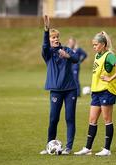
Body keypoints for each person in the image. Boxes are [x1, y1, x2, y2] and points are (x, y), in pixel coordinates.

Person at [74, 31, 116, 156]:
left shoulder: (109, 56)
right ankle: (88, 148)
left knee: (107, 119)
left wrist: (110, 78)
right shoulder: (98, 55)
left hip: (106, 91)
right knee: (92, 119)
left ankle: (107, 149)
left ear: (102, 44)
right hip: (96, 92)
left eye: (96, 44)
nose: (94, 47)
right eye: (93, 45)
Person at [40, 15, 79, 155]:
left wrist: (68, 56)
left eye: (56, 37)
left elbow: (76, 58)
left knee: (69, 118)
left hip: (70, 90)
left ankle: (68, 147)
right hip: (56, 91)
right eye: (53, 38)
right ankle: (49, 145)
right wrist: (46, 30)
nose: (55, 39)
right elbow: (44, 45)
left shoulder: (66, 50)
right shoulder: (48, 54)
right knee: (53, 118)